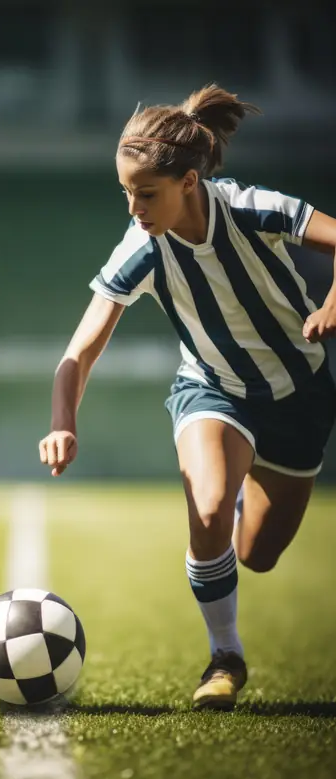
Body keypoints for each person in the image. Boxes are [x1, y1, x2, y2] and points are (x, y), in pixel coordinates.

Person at [38, 84, 336, 710]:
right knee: (206, 511)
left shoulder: (256, 209)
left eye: (146, 194)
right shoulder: (140, 249)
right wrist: (63, 420)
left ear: (190, 182)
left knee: (256, 555)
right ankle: (225, 655)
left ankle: (231, 502)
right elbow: (79, 350)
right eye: (126, 193)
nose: (134, 208)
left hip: (299, 399)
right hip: (212, 389)